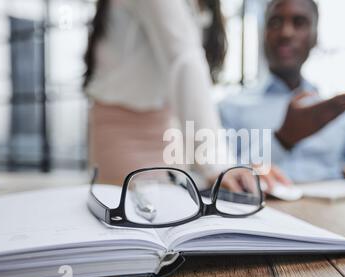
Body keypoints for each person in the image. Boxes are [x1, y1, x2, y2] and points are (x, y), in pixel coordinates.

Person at [84, 0, 290, 190]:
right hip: (124, 136)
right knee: (136, 219)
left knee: (173, 216)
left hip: (166, 132)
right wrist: (219, 165)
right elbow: (183, 61)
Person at [219, 0, 345, 183]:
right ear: (263, 34)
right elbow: (220, 177)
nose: (286, 33)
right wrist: (283, 139)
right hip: (261, 209)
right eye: (275, 22)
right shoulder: (229, 108)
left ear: (314, 37)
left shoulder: (337, 111)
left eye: (299, 22)